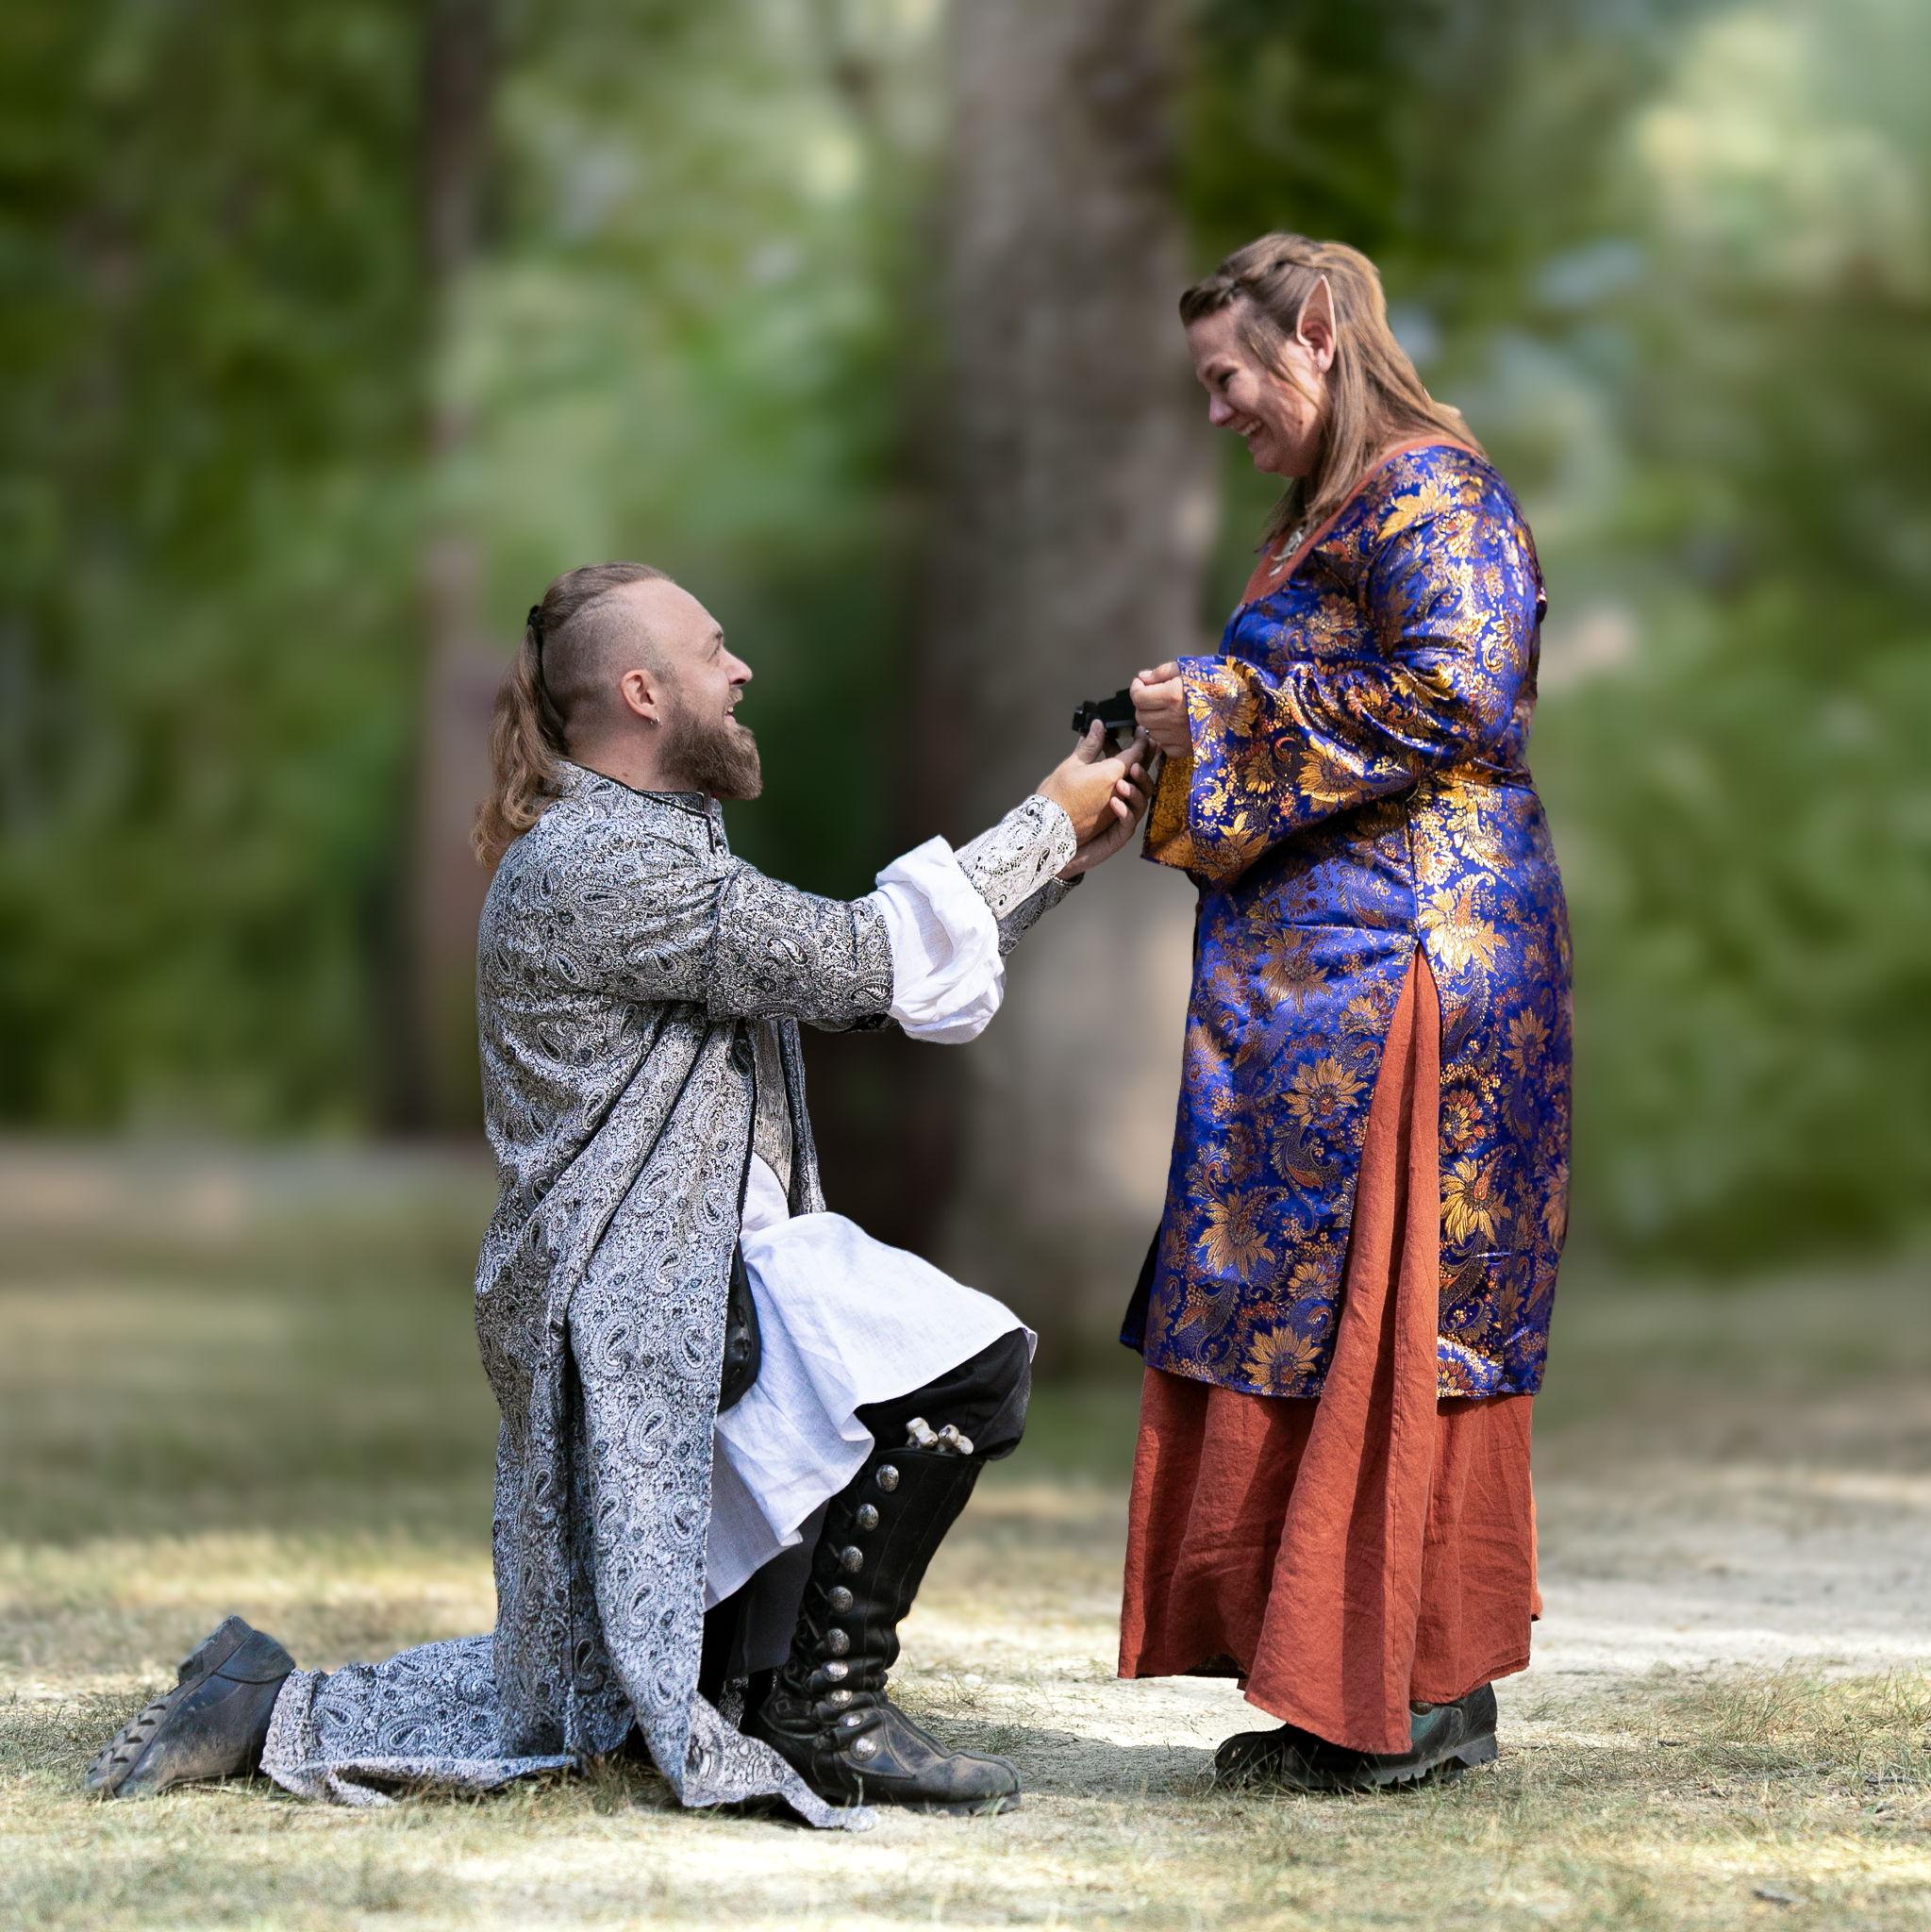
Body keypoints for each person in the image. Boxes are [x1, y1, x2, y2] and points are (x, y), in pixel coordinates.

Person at [84, 561, 1152, 1827]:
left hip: (692, 1268)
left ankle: (270, 1701)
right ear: (644, 692)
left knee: (598, 1694)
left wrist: (1056, 857)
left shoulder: (645, 845)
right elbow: (855, 959)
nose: (740, 670)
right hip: (637, 1300)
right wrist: (1042, 822)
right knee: (966, 1363)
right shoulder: (601, 863)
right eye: (713, 650)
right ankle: (825, 1710)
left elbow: (864, 982)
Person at [1118, 235, 1571, 1790]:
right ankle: (1348, 1687)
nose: (1216, 411)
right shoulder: (1327, 512)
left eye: (1227, 376)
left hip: (1410, 966)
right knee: (1312, 1307)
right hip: (1322, 978)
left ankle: (1412, 1695)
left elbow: (1463, 695)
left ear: (1315, 331)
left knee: (1387, 1304)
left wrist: (1222, 704)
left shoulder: (1434, 492)